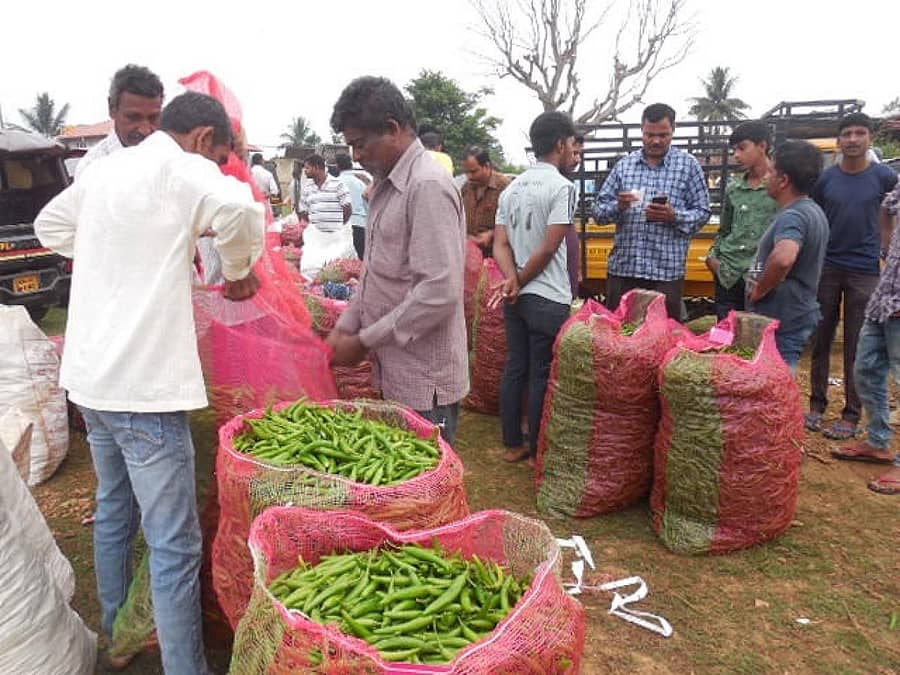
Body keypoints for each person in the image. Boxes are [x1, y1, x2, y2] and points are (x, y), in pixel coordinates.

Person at [33, 91, 264, 674]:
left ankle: (118, 633)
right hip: (143, 392)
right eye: (220, 156)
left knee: (115, 509)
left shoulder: (106, 171)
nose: (218, 166)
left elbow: (48, 224)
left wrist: (116, 249)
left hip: (90, 382)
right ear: (204, 139)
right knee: (174, 542)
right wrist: (239, 272)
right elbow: (242, 212)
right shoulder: (181, 167)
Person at [326, 76, 468, 442]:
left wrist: (364, 340)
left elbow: (438, 291)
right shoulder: (386, 187)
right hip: (396, 372)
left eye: (360, 144)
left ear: (392, 129)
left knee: (424, 474)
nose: (356, 156)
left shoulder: (427, 185)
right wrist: (348, 323)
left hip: (424, 380)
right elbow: (376, 273)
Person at [491, 111, 577, 464]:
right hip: (548, 295)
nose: (573, 149)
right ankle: (537, 449)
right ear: (560, 144)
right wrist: (521, 280)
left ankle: (513, 443)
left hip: (516, 296)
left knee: (516, 367)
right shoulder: (562, 187)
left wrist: (511, 280)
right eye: (571, 143)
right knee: (541, 373)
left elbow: (500, 244)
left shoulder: (511, 188)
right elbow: (549, 248)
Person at [806, 112, 899, 440]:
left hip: (866, 271)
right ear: (838, 140)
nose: (853, 139)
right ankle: (816, 405)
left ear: (870, 138)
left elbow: (892, 214)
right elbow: (815, 218)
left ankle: (851, 414)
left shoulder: (885, 177)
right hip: (827, 267)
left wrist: (887, 251)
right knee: (821, 339)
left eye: (860, 133)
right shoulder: (826, 180)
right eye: (847, 133)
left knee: (857, 346)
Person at [593, 103, 710, 320]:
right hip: (625, 269)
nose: (656, 141)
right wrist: (619, 206)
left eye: (663, 135)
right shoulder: (624, 166)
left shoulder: (688, 166)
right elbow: (598, 212)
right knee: (618, 332)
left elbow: (703, 212)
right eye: (649, 135)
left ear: (673, 130)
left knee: (663, 333)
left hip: (665, 272)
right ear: (642, 130)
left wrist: (674, 216)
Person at [833, 182, 900, 494]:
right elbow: (887, 206)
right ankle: (878, 441)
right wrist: (886, 248)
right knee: (866, 371)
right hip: (885, 298)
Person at [746, 140, 828, 371]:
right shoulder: (812, 210)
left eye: (771, 171)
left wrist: (760, 290)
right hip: (795, 312)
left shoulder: (794, 216)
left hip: (784, 316)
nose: (765, 176)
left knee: (777, 379)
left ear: (783, 180)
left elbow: (784, 258)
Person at [706, 121, 779, 319]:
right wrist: (712, 258)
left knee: (758, 331)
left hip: (760, 276)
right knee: (725, 331)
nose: (736, 155)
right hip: (728, 274)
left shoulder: (779, 186)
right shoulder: (734, 189)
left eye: (742, 148)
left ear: (762, 146)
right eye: (734, 150)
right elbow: (725, 230)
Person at [75, 64, 164, 179]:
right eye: (133, 117)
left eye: (153, 118)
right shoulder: (92, 169)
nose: (145, 130)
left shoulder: (170, 157)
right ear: (112, 109)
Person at [298, 153, 354, 276]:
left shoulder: (338, 184)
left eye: (307, 168)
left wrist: (339, 227)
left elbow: (347, 209)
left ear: (317, 167)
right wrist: (311, 227)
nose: (305, 171)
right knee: (310, 270)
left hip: (336, 239)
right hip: (315, 241)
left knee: (336, 272)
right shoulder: (307, 188)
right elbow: (303, 211)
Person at [460, 145, 511, 255]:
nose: (469, 176)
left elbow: (515, 222)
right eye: (466, 172)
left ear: (487, 166)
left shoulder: (505, 187)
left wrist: (492, 234)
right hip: (471, 253)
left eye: (474, 172)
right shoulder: (466, 188)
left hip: (498, 255)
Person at [336, 152, 369, 258]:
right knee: (361, 261)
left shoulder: (335, 183)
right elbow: (368, 207)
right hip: (360, 226)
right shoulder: (360, 183)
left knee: (341, 262)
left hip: (342, 228)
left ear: (337, 166)